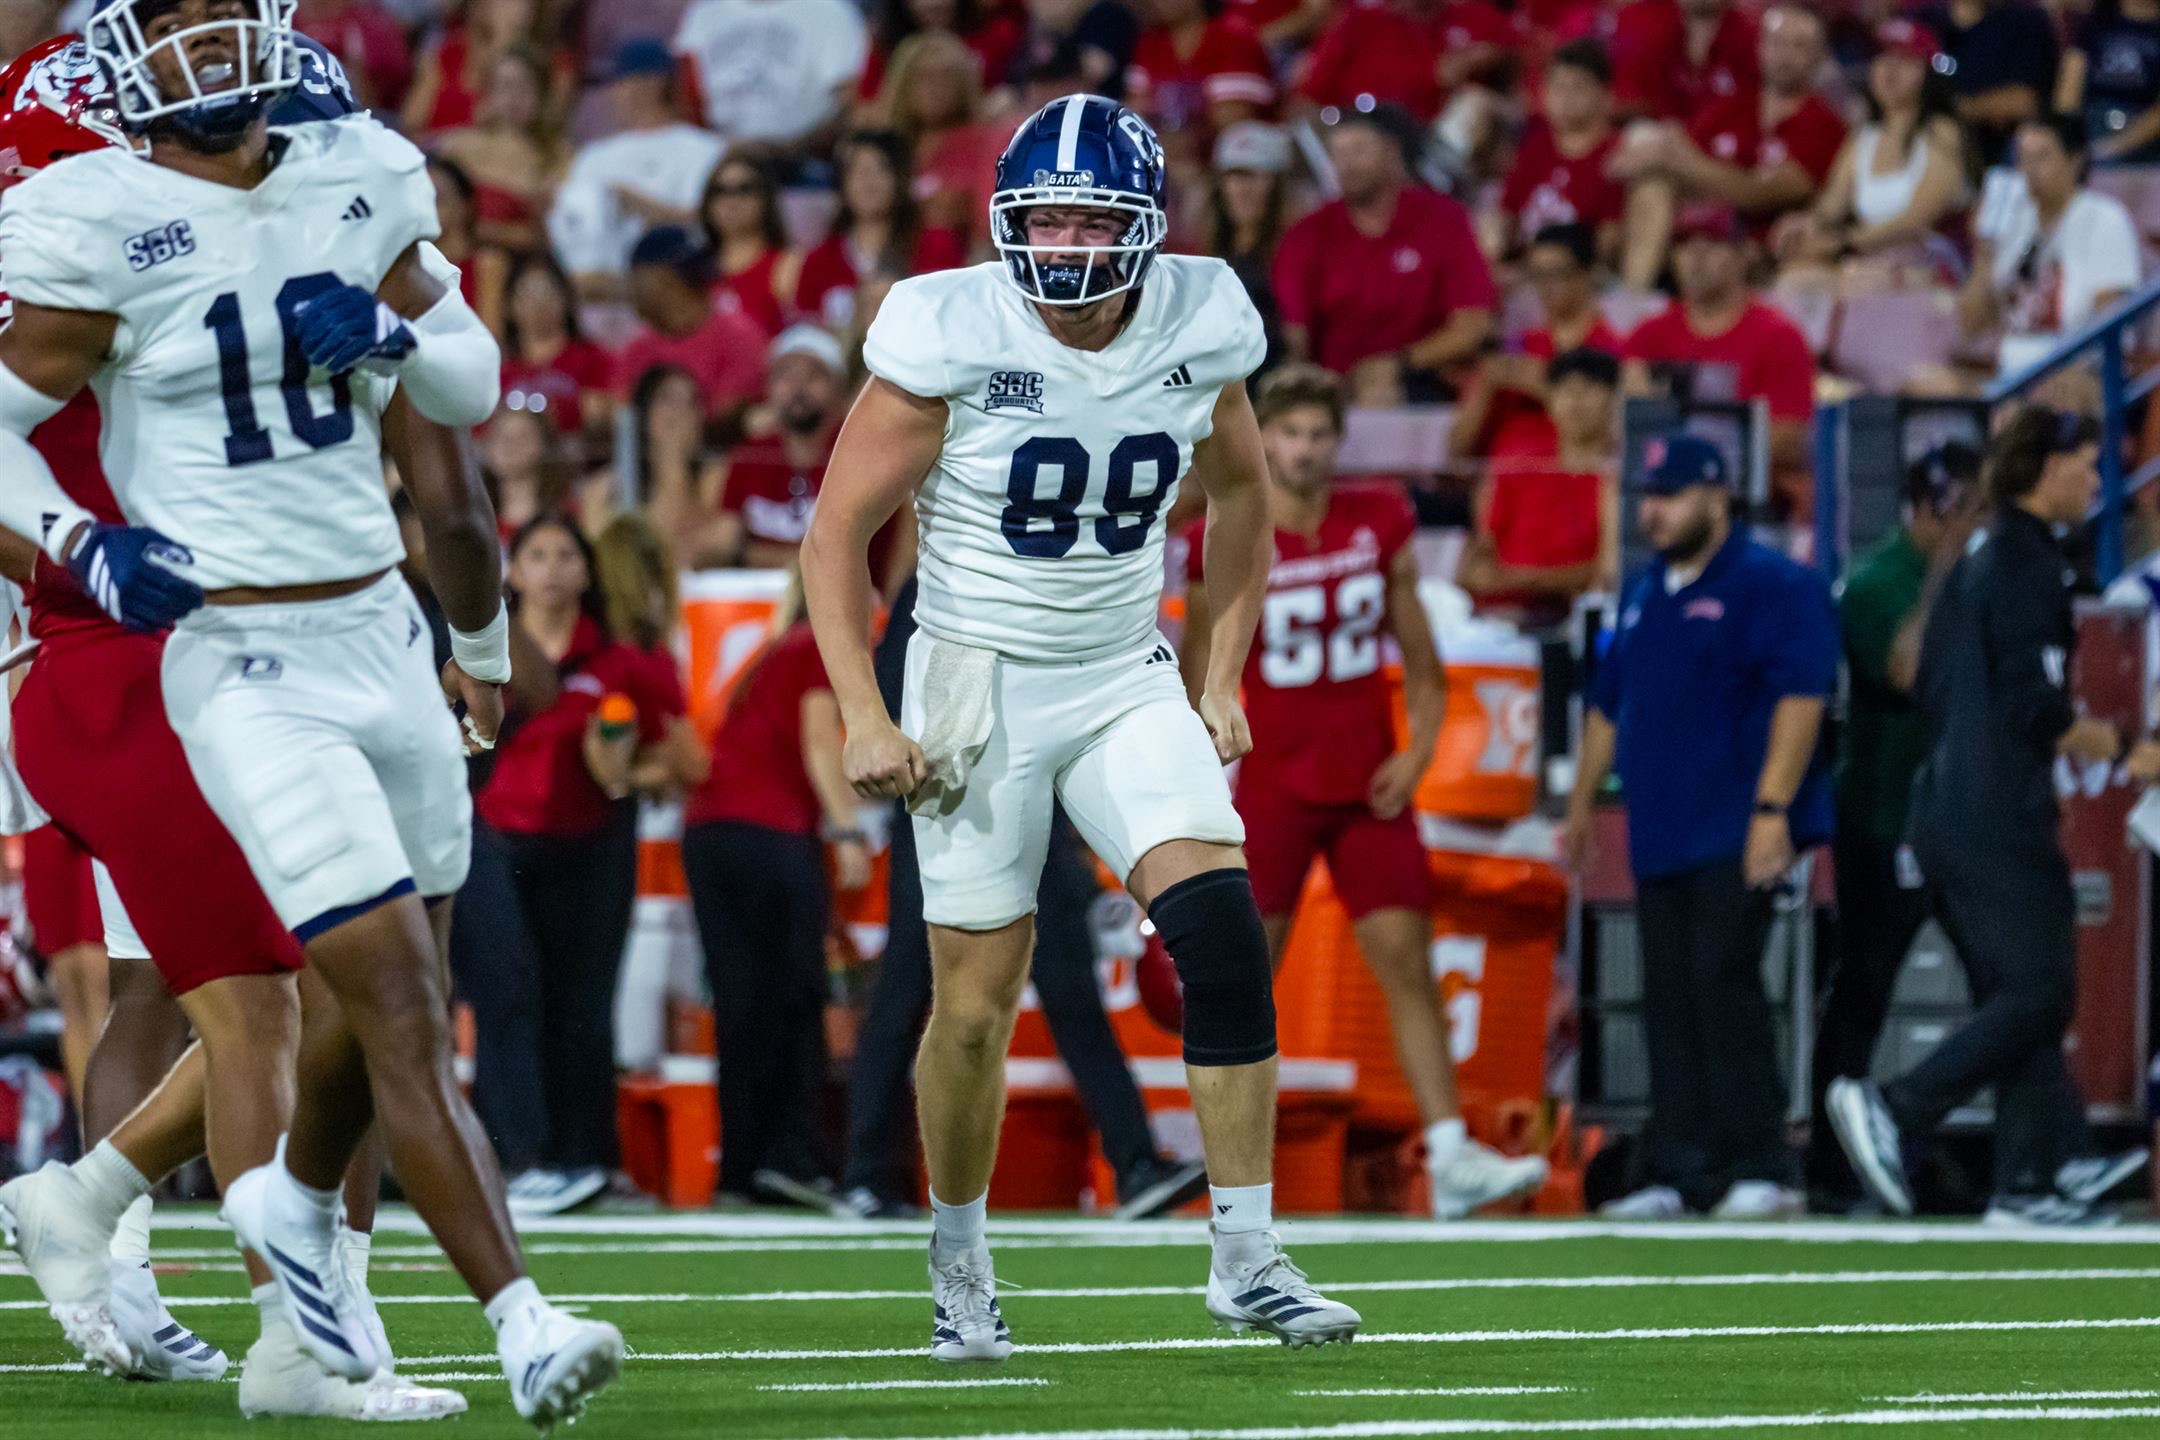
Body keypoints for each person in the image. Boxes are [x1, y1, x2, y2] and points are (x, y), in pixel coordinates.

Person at [0, 3, 618, 1422]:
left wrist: (405, 333)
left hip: (326, 628)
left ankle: (101, 1205)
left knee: (308, 988)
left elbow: (454, 419)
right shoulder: (81, 224)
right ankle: (316, 1324)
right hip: (148, 642)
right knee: (281, 996)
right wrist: (82, 553)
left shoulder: (336, 181)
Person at [803, 94, 1360, 1358]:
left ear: (1144, 228)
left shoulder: (1197, 321)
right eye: (1038, 218)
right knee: (977, 1008)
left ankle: (1248, 1256)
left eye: (1085, 218)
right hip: (975, 679)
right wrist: (862, 710)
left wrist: (1220, 674)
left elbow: (1243, 499)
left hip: (1118, 671)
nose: (1058, 245)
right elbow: (834, 530)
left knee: (1220, 937)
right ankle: (957, 1254)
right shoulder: (951, 329)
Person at [1179, 364, 1552, 1218]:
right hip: (1271, 781)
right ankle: (1224, 1167)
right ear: (1262, 437)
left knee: (1408, 971)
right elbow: (1200, 670)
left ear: (1337, 441)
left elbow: (1422, 662)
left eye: (1318, 434)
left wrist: (1419, 754)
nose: (1303, 450)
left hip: (1362, 787)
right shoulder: (1228, 527)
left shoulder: (1376, 520)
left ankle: (1451, 1154)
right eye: (1289, 433)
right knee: (1241, 977)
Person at [1830, 409, 2157, 1226]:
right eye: (2084, 465)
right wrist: (2125, 750)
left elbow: (1929, 678)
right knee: (2043, 990)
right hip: (1994, 811)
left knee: (2022, 992)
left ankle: (2040, 1171)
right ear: (2044, 467)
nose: (2095, 482)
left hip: (1947, 801)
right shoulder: (2026, 561)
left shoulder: (1977, 555)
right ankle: (1899, 1107)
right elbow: (2032, 706)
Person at [836, 571, 1211, 1221]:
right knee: (911, 984)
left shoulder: (1031, 565)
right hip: (949, 808)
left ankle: (1135, 1164)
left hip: (1032, 810)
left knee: (1070, 991)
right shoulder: (942, 574)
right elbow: (901, 687)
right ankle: (869, 1170)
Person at [1562, 432, 1837, 1219]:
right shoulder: (1647, 590)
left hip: (1736, 820)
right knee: (1669, 995)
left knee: (1726, 984)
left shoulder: (1772, 584)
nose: (1655, 511)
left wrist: (1773, 810)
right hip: (1663, 828)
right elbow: (1610, 701)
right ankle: (1685, 1170)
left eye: (1671, 495)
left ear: (1718, 495)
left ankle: (1764, 1163)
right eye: (1648, 496)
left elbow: (1801, 697)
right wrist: (1584, 800)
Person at [454, 516, 687, 1219]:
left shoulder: (620, 660)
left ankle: (588, 1160)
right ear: (512, 573)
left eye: (565, 555)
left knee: (585, 1005)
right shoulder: (478, 652)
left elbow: (677, 761)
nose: (552, 567)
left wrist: (626, 770)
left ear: (587, 574)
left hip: (591, 841)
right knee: (509, 993)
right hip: (491, 838)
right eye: (537, 554)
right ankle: (517, 1160)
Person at [1808, 443, 1981, 1206]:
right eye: (1960, 511)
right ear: (1926, 508)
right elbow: (1905, 671)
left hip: (1955, 814)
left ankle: (2019, 1151)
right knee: (1866, 987)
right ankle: (1832, 1154)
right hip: (1883, 816)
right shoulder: (1879, 581)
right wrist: (1945, 569)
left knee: (2004, 984)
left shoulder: (1973, 574)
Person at [678, 572, 861, 1207]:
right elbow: (817, 742)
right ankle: (791, 1158)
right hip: (769, 832)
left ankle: (742, 1167)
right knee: (794, 994)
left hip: (711, 831)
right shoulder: (814, 646)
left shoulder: (775, 650)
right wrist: (848, 831)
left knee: (741, 1005)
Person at [1272, 105, 1497, 404]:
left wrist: (1399, 363)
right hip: (1330, 388)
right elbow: (1294, 334)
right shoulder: (1307, 234)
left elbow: (1473, 323)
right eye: (1338, 154)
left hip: (1422, 377)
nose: (1347, 164)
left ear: (1391, 152)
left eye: (1359, 150)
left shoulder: (1444, 221)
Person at [1611, 6, 1845, 290]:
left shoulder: (1825, 124)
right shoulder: (1733, 107)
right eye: (1777, 43)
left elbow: (1760, 193)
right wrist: (1663, 155)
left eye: (1799, 47)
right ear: (1760, 48)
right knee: (1651, 182)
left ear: (1819, 57)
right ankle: (1634, 300)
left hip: (1766, 250)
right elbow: (1630, 162)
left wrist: (1682, 162)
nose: (1785, 56)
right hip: (1698, 242)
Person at [1621, 206, 1817, 513]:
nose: (1696, 256)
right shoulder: (1648, 335)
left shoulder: (1779, 335)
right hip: (1659, 496)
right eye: (1685, 245)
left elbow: (1790, 439)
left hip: (1748, 501)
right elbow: (1625, 425)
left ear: (1743, 255)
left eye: (1712, 243)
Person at [718, 325, 915, 590]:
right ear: (768, 388)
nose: (798, 387)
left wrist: (750, 555)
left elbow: (847, 559)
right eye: (786, 374)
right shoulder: (748, 455)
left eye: (814, 375)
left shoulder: (865, 458)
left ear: (840, 390)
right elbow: (720, 543)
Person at [546, 37, 727, 304]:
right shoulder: (592, 157)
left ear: (650, 84)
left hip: (675, 286)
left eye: (620, 82)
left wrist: (641, 204)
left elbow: (713, 222)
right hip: (597, 291)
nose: (614, 93)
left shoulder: (704, 149)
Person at [1963, 114, 2142, 379]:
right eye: (2023, 158)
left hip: (2078, 371)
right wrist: (1984, 252)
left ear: (2075, 160)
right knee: (1925, 382)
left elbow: (2109, 322)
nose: (2029, 169)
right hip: (2010, 374)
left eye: (2042, 157)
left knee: (2052, 389)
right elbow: (1972, 326)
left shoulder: (2105, 218)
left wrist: (2055, 371)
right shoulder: (2013, 222)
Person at [1456, 347, 1622, 629]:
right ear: (1550, 398)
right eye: (1564, 390)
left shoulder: (1615, 476)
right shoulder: (1518, 457)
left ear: (1613, 399)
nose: (1575, 401)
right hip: (1498, 616)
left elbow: (1606, 572)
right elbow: (1481, 553)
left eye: (1588, 390)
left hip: (1571, 617)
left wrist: (1533, 581)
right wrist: (1481, 574)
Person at [1790, 21, 1966, 286]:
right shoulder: (1864, 138)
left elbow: (1917, 220)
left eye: (1905, 60)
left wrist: (1844, 243)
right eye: (1882, 58)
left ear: (1929, 74)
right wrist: (1802, 229)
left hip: (1929, 258)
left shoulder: (1942, 133)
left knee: (1864, 282)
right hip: (1867, 256)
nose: (1890, 69)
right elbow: (1830, 207)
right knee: (1797, 279)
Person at [1449, 222, 1622, 467]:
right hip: (1506, 481)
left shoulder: (1611, 349)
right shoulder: (1516, 346)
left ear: (1589, 274)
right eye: (1538, 275)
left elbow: (1617, 436)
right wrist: (1485, 385)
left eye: (1557, 274)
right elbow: (1457, 449)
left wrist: (1544, 385)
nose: (1545, 287)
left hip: (1575, 478)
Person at [794, 128, 967, 334]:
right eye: (858, 171)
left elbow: (954, 318)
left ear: (900, 178)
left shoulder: (936, 244)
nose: (869, 182)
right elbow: (807, 334)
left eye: (881, 169)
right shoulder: (819, 260)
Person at [672, 0, 868, 160]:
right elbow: (679, 96)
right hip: (718, 161)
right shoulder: (704, 13)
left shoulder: (830, 10)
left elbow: (849, 102)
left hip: (806, 160)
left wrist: (793, 146)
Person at [615, 226, 768, 419]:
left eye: (638, 278)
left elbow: (726, 422)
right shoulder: (638, 348)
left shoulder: (740, 336)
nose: (632, 288)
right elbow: (623, 418)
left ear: (666, 279)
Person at [1497, 39, 1624, 259]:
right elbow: (1507, 216)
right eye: (1557, 86)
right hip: (1528, 268)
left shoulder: (1615, 153)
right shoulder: (1535, 148)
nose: (1565, 97)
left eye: (1577, 87)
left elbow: (1610, 239)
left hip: (1582, 275)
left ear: (1605, 95)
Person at [883, 30, 1009, 242]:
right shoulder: (886, 146)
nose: (935, 88)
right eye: (924, 78)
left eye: (946, 77)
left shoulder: (983, 142)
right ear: (904, 84)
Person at [1912, 0, 2059, 167]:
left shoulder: (2024, 20)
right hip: (1920, 147)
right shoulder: (1924, 19)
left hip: (1996, 157)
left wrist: (1953, 107)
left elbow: (2023, 102)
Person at [1201, 121, 1290, 375]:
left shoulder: (1292, 253)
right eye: (1234, 176)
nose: (1242, 189)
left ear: (1277, 186)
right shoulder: (1208, 254)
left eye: (1254, 176)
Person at [498, 252, 610, 448]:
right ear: (509, 306)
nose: (538, 304)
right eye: (527, 294)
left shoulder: (593, 359)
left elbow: (605, 414)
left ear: (566, 299)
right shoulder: (499, 371)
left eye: (547, 292)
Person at [698, 153, 799, 340]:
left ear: (766, 199)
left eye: (745, 189)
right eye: (720, 190)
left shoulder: (789, 264)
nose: (731, 201)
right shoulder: (692, 270)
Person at [1607, 0, 1758, 124]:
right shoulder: (1664, 38)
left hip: (1732, 140)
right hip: (1673, 137)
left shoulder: (1749, 36)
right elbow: (1658, 103)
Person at [2058, 0, 2160, 165]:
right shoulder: (2095, 23)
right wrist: (2065, 138)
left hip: (2140, 133)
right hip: (2090, 121)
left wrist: (2108, 149)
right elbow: (2067, 96)